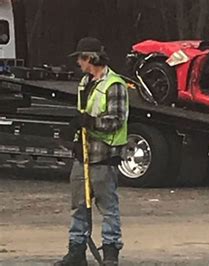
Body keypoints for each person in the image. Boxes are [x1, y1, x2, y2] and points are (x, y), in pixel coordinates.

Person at [55, 37, 128, 266]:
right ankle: (76, 252)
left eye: (80, 58)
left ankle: (110, 253)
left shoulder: (114, 84)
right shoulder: (85, 83)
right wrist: (75, 133)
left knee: (107, 208)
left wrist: (90, 122)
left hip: (104, 156)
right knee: (78, 205)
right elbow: (83, 115)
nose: (78, 62)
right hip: (83, 155)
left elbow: (116, 120)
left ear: (91, 58)